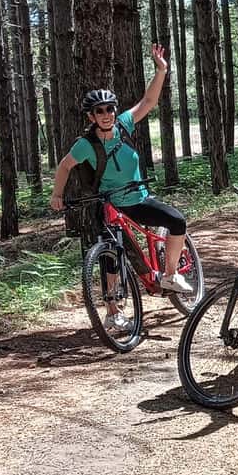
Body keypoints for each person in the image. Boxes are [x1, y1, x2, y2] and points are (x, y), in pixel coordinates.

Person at [50, 44, 193, 331]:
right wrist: (57, 195)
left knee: (177, 221)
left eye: (109, 109)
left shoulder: (125, 124)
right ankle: (113, 311)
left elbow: (149, 100)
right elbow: (65, 166)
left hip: (138, 199)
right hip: (107, 203)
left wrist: (161, 69)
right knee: (110, 254)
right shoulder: (85, 145)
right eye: (99, 111)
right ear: (91, 116)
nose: (106, 114)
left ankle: (170, 274)